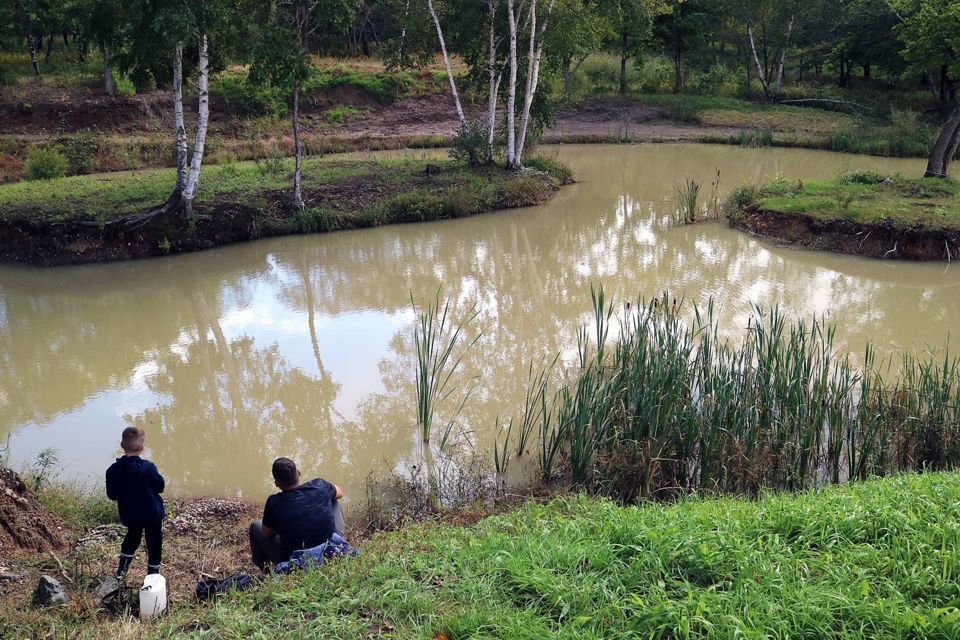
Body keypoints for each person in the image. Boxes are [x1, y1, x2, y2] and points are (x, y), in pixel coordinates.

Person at [249, 457, 345, 572]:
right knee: (333, 499)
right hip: (331, 551)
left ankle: (268, 571)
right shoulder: (320, 485)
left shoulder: (274, 503)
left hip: (297, 563)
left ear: (276, 483)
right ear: (299, 472)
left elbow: (266, 534)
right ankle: (339, 541)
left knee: (255, 526)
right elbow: (340, 492)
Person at [105, 426, 165, 579]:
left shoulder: (112, 470)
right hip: (152, 514)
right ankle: (153, 575)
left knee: (132, 538)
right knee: (154, 543)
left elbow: (112, 495)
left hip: (130, 515)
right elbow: (160, 486)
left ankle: (122, 572)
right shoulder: (148, 467)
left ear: (121, 445)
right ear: (142, 448)